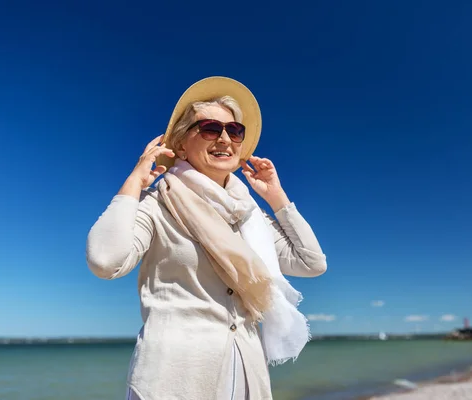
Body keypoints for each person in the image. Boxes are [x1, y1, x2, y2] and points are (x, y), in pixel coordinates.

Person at [86, 76, 327, 400]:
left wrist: (277, 198)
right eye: (211, 128)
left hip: (246, 374)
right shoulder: (158, 204)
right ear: (182, 145)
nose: (225, 138)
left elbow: (311, 262)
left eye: (235, 130)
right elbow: (105, 261)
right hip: (174, 378)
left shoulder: (249, 216)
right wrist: (134, 183)